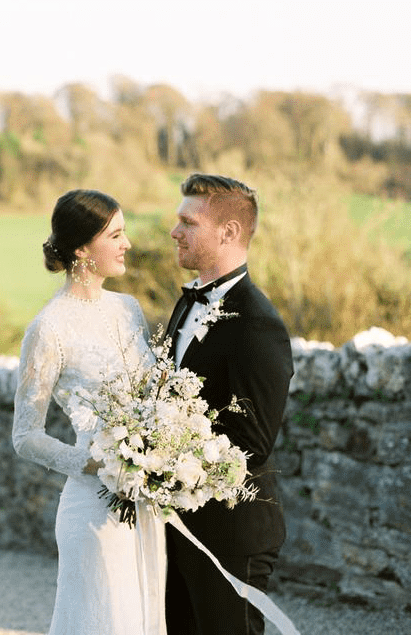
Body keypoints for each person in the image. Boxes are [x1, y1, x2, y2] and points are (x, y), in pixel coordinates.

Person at [13, 189, 166, 634]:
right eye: (116, 234)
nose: (128, 244)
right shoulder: (49, 328)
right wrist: (98, 464)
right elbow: (25, 436)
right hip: (95, 509)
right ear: (82, 248)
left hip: (145, 505)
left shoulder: (128, 309)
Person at [163, 173, 293, 635]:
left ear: (229, 232)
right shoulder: (185, 305)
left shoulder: (259, 324)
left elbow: (251, 443)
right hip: (176, 527)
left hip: (231, 532)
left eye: (187, 222)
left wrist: (160, 461)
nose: (174, 231)